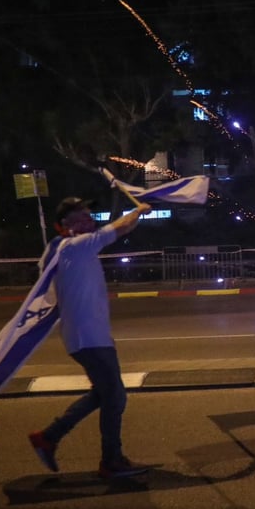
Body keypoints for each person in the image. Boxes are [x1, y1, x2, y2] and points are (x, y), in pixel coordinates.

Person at [28, 195, 151, 479]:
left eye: (89, 216)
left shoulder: (61, 250)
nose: (89, 221)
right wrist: (139, 211)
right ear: (64, 227)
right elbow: (120, 228)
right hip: (90, 338)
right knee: (115, 397)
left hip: (87, 337)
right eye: (80, 218)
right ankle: (111, 461)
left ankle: (49, 437)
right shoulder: (74, 246)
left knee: (104, 394)